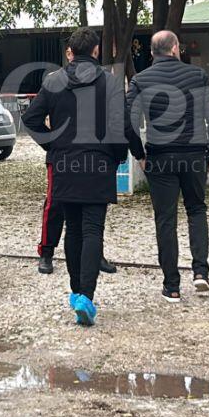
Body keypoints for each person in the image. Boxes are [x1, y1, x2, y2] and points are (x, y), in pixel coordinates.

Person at [23, 28, 127, 326]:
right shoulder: (109, 81)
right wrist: (116, 156)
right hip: (98, 164)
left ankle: (76, 291)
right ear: (95, 50)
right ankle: (87, 297)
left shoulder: (54, 81)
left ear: (72, 50)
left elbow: (30, 118)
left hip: (65, 163)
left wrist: (52, 143)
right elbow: (120, 125)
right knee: (93, 229)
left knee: (72, 229)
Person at [125, 30, 209, 303]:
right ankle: (201, 272)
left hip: (160, 157)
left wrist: (139, 154)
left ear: (152, 52)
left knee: (165, 219)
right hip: (194, 155)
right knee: (196, 209)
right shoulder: (198, 76)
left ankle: (172, 286)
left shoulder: (140, 81)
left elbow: (127, 122)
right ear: (176, 48)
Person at [37, 47, 118, 276]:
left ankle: (93, 255)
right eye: (71, 55)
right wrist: (51, 143)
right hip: (62, 155)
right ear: (68, 54)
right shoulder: (56, 80)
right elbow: (35, 117)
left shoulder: (101, 80)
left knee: (92, 211)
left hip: (90, 153)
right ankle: (47, 251)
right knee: (54, 205)